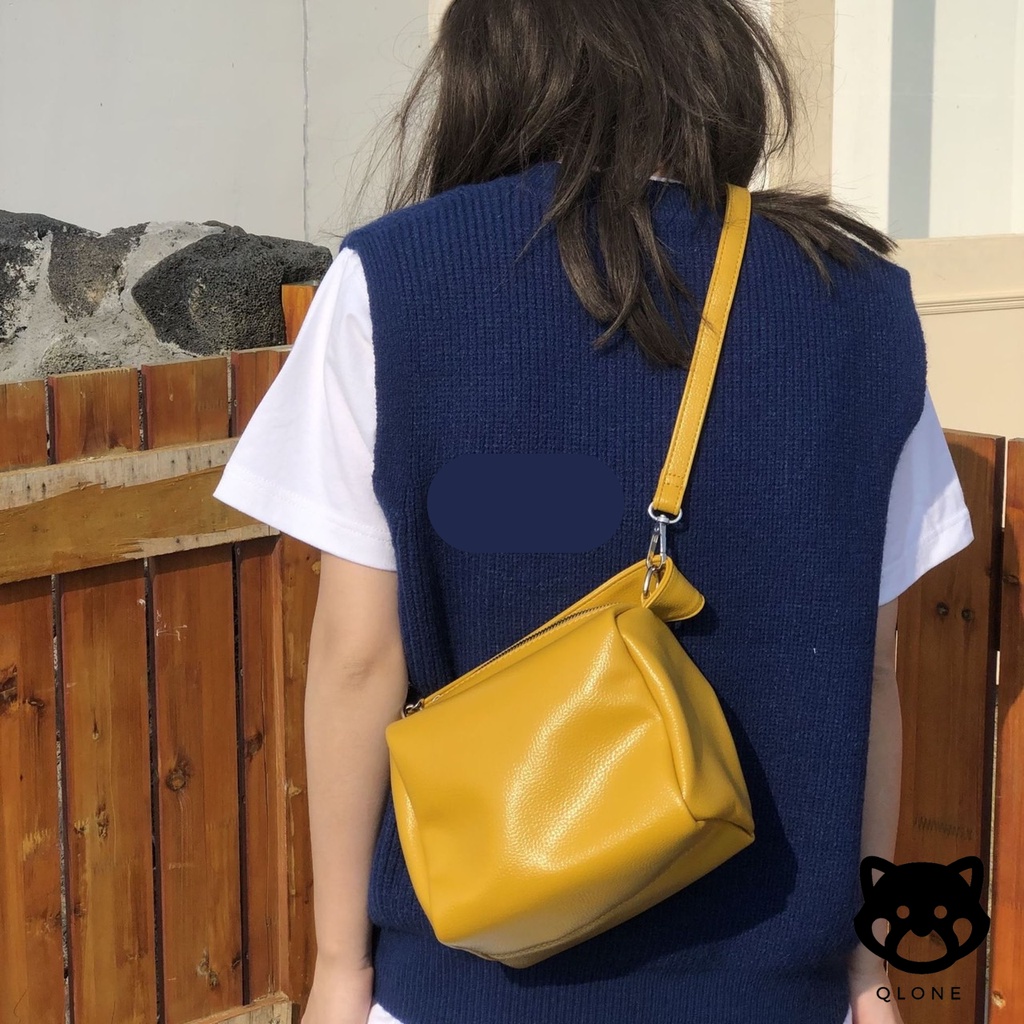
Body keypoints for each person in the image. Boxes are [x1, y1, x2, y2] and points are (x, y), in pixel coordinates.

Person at [212, 1, 974, 1021]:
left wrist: (338, 969)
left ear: (492, 66)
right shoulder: (859, 301)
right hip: (777, 992)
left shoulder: (395, 282)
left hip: (467, 984)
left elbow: (359, 658)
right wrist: (869, 974)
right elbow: (872, 669)